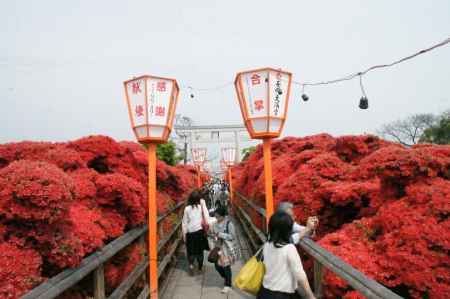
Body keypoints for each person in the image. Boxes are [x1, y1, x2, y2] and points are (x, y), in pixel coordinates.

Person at [257, 211, 316, 299]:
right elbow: (300, 274)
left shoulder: (267, 245)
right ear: (287, 230)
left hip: (264, 292)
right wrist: (311, 296)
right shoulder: (289, 249)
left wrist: (308, 229)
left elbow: (293, 238)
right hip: (281, 295)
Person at [210, 206, 239, 294]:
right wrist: (212, 236)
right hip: (218, 248)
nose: (217, 218)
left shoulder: (229, 224)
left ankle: (228, 285)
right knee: (217, 266)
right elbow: (214, 234)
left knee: (226, 266)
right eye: (216, 216)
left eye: (218, 216)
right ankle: (226, 278)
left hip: (226, 249)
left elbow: (232, 236)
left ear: (223, 216)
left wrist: (221, 234)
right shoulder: (214, 224)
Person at [182, 190, 210, 274]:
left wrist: (184, 235)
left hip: (190, 233)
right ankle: (200, 268)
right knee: (200, 251)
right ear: (199, 199)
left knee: (190, 251)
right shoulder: (201, 207)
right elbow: (207, 217)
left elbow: (184, 223)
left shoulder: (187, 209)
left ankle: (191, 265)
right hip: (200, 232)